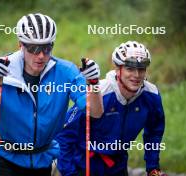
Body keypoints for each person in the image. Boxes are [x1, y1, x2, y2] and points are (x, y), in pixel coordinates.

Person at [0, 13, 103, 176]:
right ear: (20, 45)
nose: (40, 55)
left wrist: (94, 83)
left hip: (42, 160)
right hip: (6, 160)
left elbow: (95, 112)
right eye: (33, 48)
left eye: (46, 48)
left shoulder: (66, 72)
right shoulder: (2, 69)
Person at [56, 41, 166, 176]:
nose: (136, 75)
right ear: (118, 69)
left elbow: (154, 132)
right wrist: (69, 172)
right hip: (84, 165)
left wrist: (153, 167)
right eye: (130, 69)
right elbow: (64, 134)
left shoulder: (152, 95)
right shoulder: (99, 92)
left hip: (118, 165)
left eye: (141, 69)